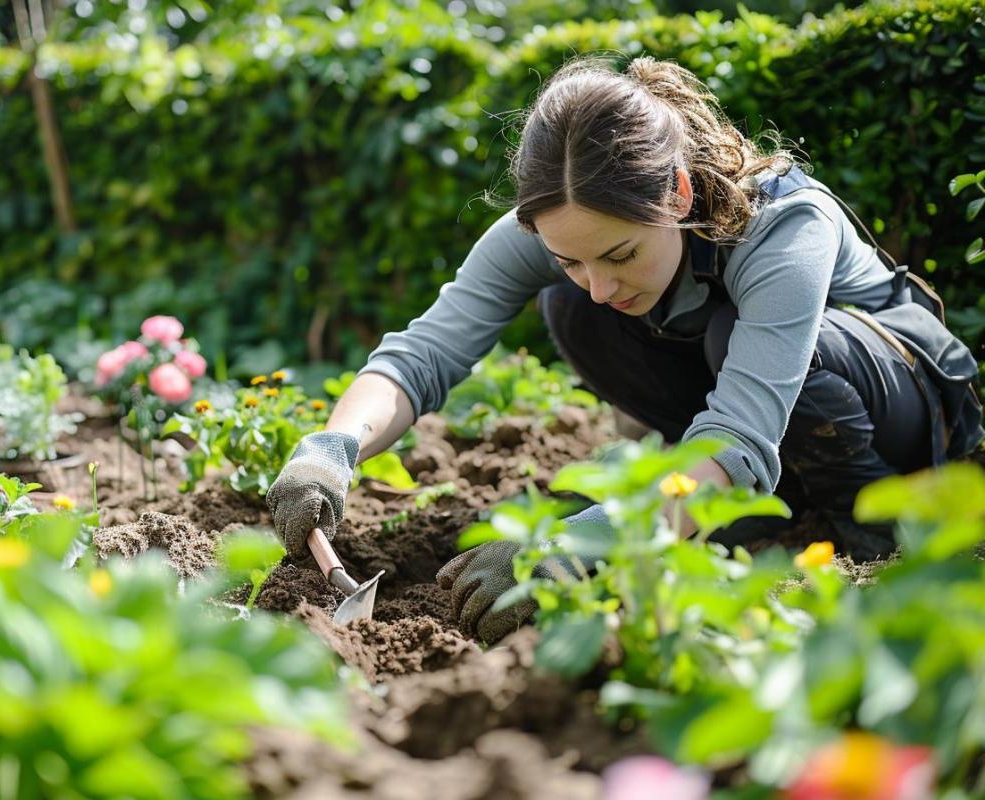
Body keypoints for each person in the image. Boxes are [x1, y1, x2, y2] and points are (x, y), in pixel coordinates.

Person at [266, 55, 984, 645]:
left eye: (619, 254)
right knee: (570, 312)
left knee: (731, 337)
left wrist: (571, 548)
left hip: (906, 408)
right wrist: (333, 446)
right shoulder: (561, 231)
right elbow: (423, 353)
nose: (600, 283)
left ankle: (875, 529)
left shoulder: (785, 227)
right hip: (769, 433)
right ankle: (754, 507)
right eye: (572, 257)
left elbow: (736, 441)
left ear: (674, 193)